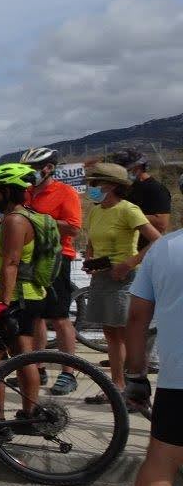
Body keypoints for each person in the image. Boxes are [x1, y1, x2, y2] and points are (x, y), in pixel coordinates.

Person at [87, 173, 183, 486]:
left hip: (180, 383)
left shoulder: (164, 251)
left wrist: (137, 377)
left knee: (160, 463)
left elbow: (138, 319)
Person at [82, 161, 161, 409]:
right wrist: (89, 259)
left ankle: (134, 389)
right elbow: (92, 241)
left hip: (125, 279)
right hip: (102, 277)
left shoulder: (129, 210)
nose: (91, 187)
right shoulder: (96, 211)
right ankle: (117, 386)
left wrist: (129, 263)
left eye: (96, 183)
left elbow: (157, 241)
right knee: (111, 335)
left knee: (127, 335)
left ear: (113, 185)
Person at [0, 164, 47, 428]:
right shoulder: (21, 215)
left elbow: (11, 262)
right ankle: (29, 416)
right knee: (23, 355)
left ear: (7, 191)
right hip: (26, 295)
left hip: (16, 297)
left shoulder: (15, 220)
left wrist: (1, 303)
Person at [19, 147, 83, 395]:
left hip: (57, 257)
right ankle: (39, 367)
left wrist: (38, 220)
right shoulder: (26, 192)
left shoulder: (65, 192)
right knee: (35, 315)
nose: (30, 174)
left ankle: (69, 373)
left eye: (33, 169)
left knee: (59, 316)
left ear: (48, 168)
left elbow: (73, 228)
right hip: (31, 257)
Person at [110, 148, 173, 244]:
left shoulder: (156, 189)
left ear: (137, 167)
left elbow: (161, 223)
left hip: (145, 249)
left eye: (122, 169)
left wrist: (125, 215)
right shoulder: (124, 188)